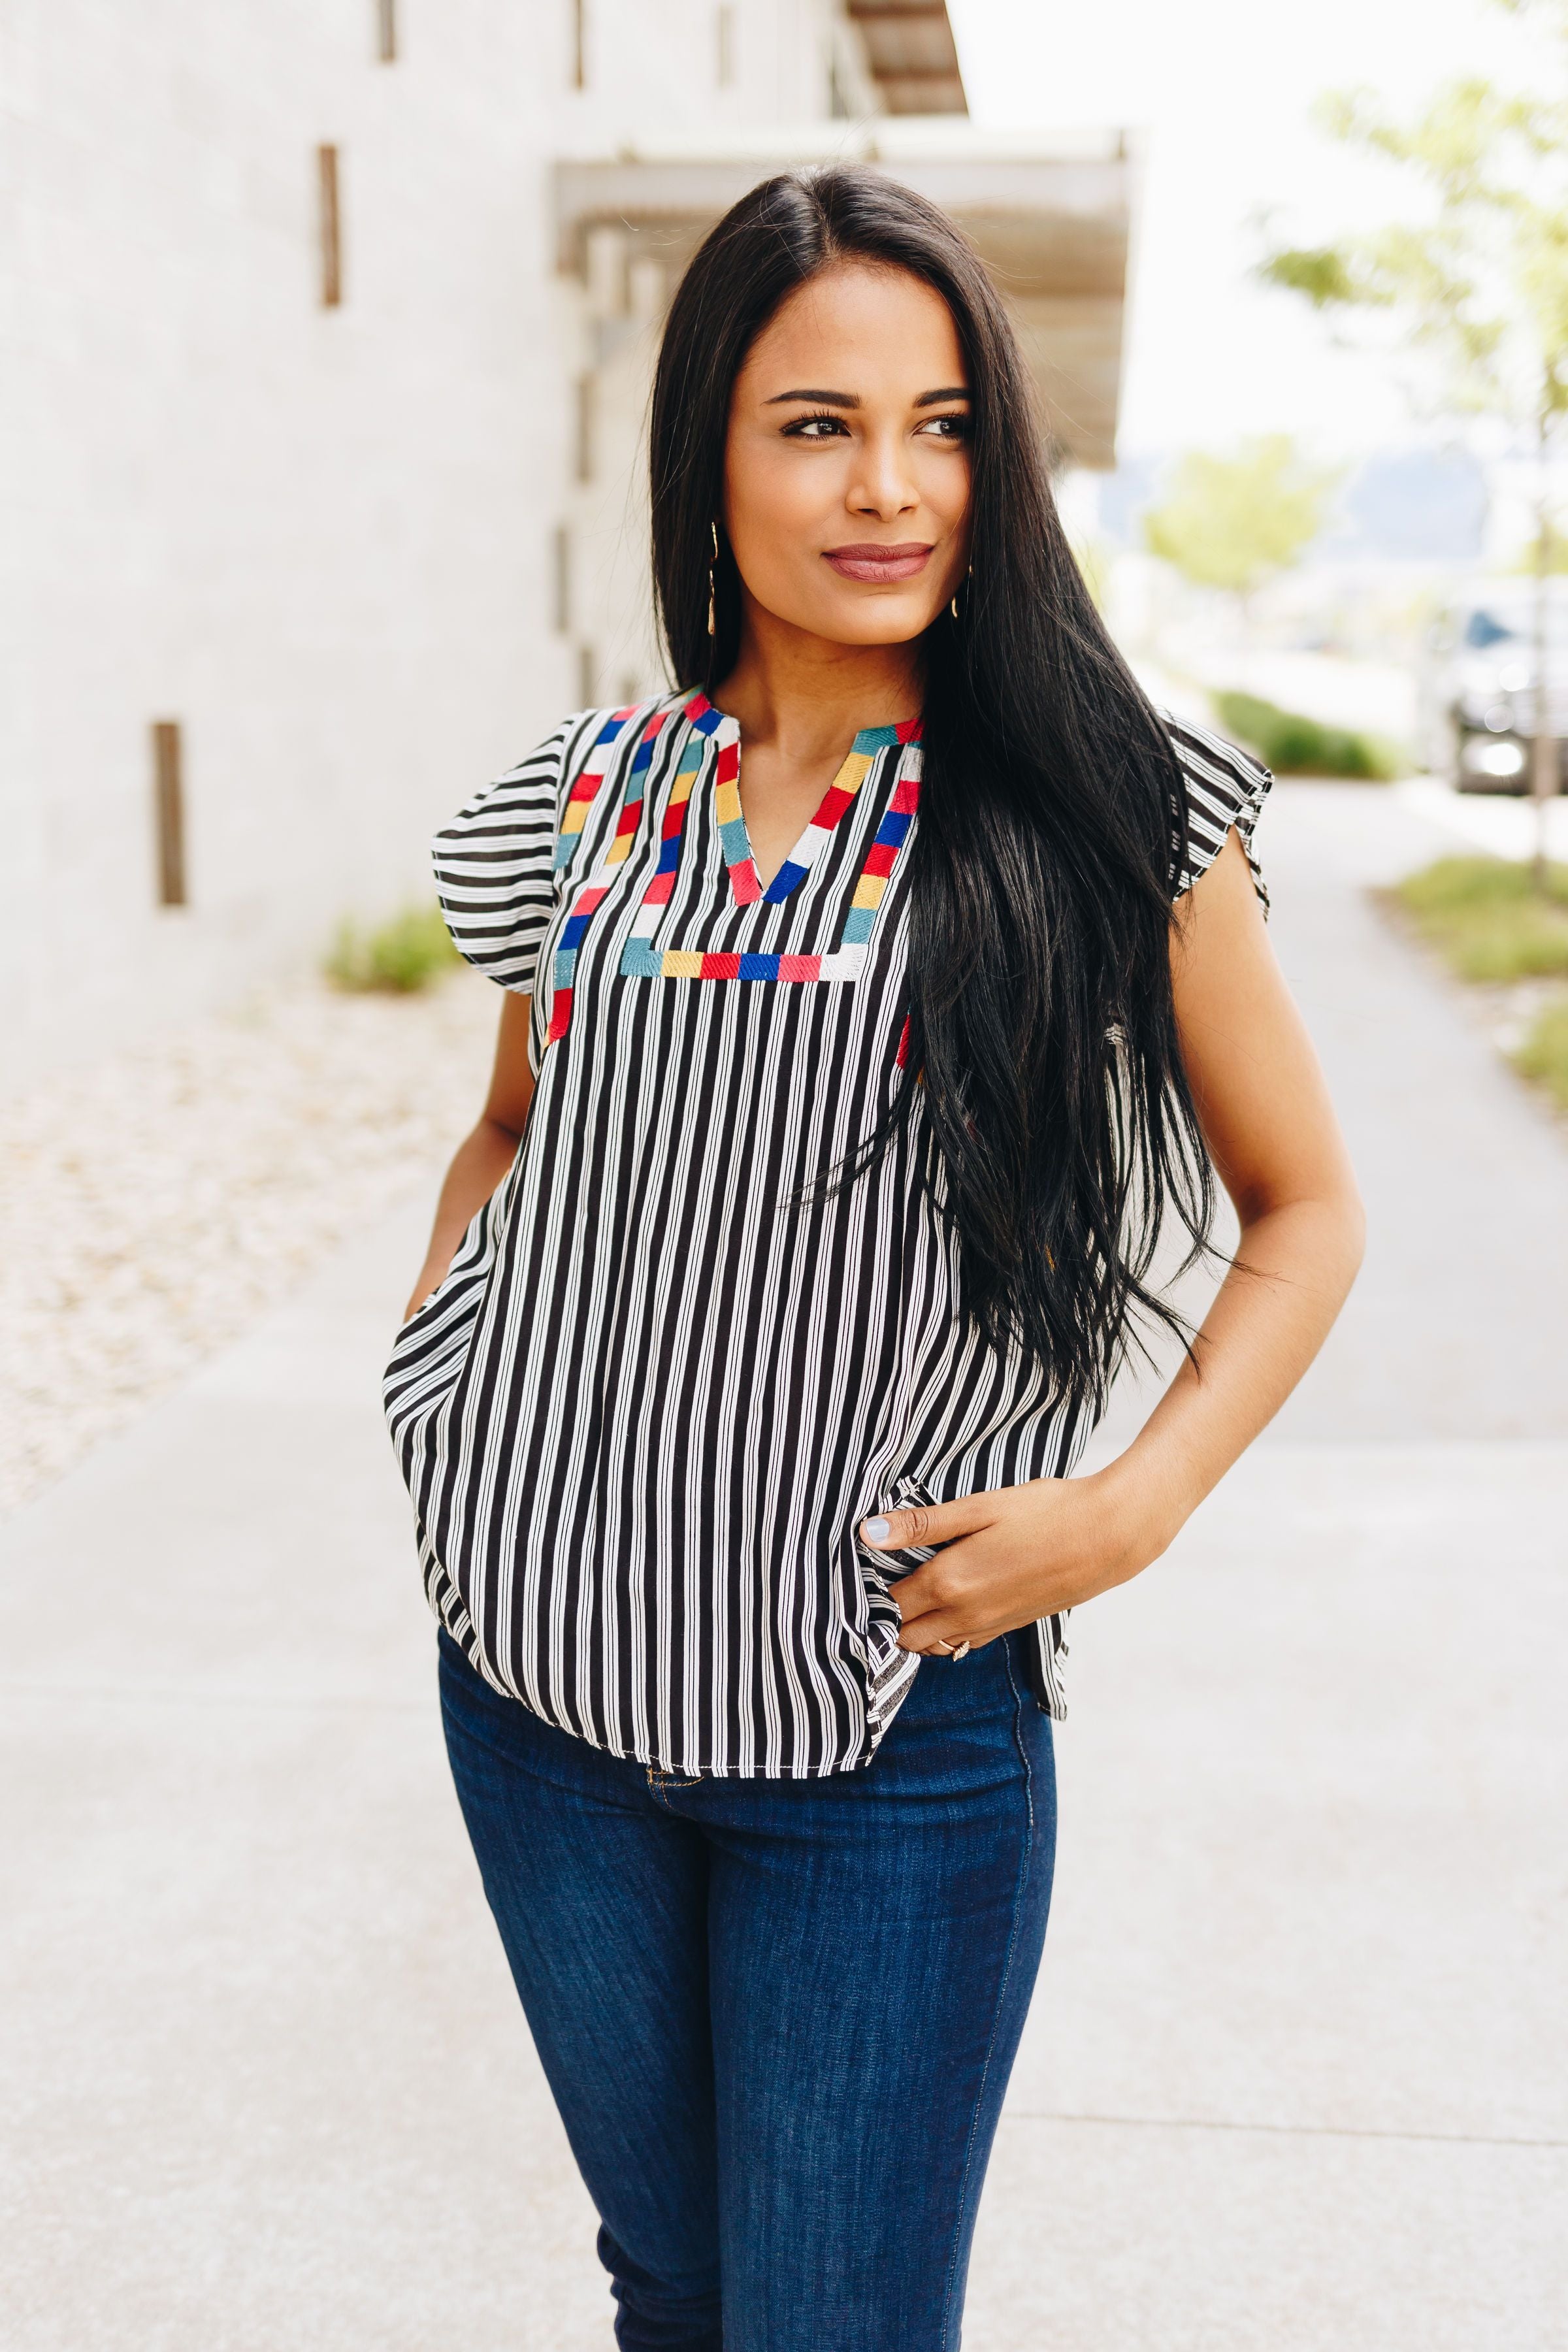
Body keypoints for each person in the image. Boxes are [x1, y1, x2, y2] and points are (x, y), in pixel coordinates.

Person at [384, 167, 1364, 2352]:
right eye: (815, 423)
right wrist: (448, 1391)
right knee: (677, 2291)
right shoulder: (578, 796)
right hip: (535, 1690)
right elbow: (517, 1125)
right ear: (706, 452)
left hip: (885, 1734)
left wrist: (1128, 1509)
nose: (890, 487)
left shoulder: (1116, 810)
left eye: (941, 426)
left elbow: (1309, 1211)